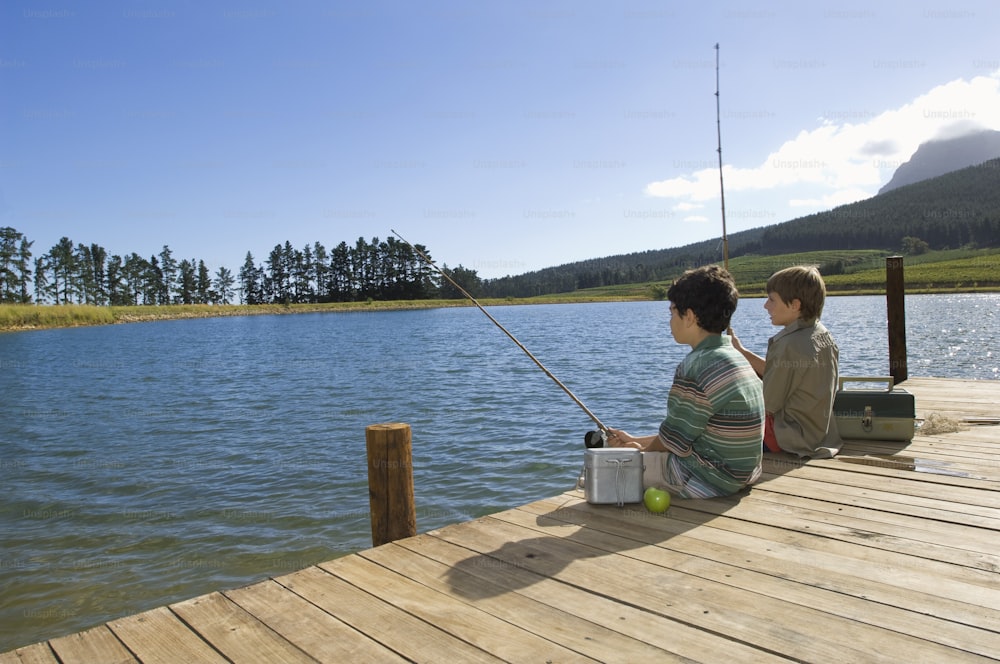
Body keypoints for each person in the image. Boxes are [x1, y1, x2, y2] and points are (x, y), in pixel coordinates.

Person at [607, 265, 764, 499]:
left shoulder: (695, 368)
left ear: (689, 316)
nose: (670, 320)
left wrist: (640, 454)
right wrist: (636, 441)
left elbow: (673, 440)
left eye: (672, 312)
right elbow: (683, 433)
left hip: (708, 479)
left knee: (606, 471)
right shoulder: (735, 357)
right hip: (743, 474)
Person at [730, 265, 843, 459]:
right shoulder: (822, 334)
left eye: (772, 299)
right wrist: (742, 353)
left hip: (789, 437)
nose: (766, 305)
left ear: (795, 305)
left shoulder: (787, 345)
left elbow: (768, 404)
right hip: (819, 434)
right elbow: (786, 373)